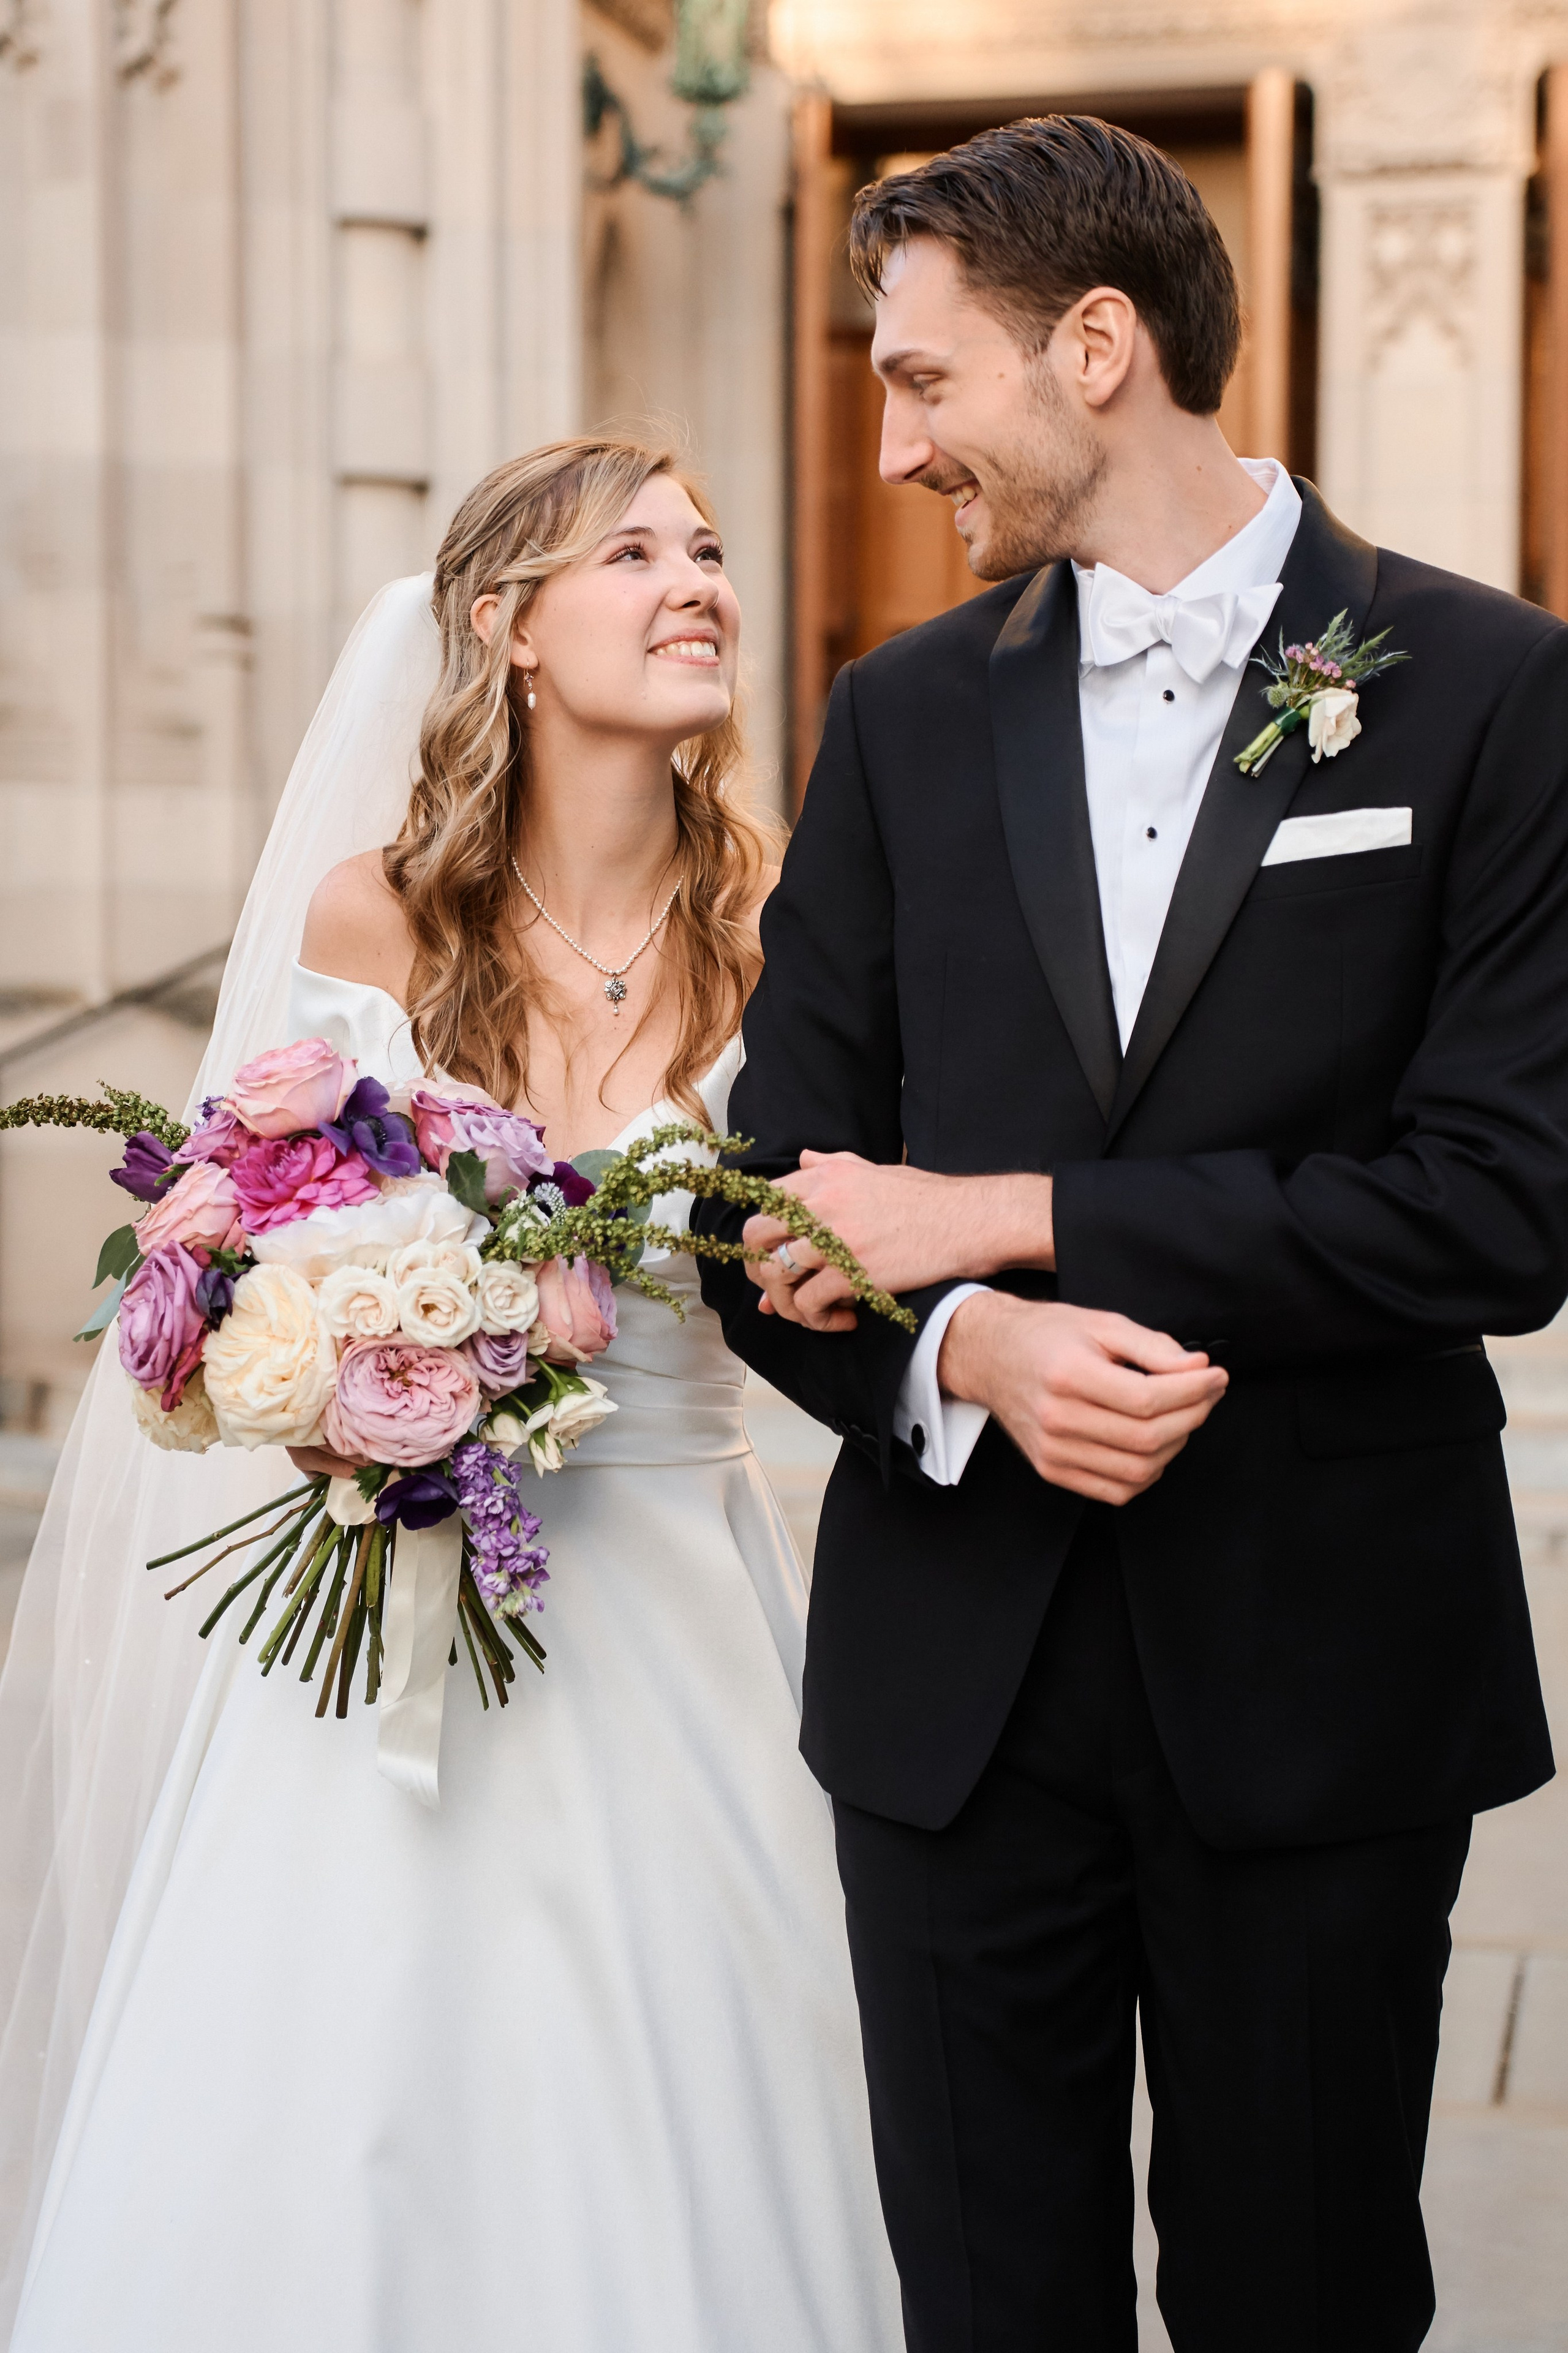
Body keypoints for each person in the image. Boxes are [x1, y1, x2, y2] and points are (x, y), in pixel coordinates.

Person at [696, 117, 1565, 2352]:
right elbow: (763, 1203)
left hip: (1325, 1668)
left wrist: (1015, 1217)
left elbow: (1501, 1206)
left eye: (923, 379)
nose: (892, 447)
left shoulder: (1489, 686)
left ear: (1096, 347)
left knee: (1305, 2303)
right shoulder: (898, 719)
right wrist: (966, 1350)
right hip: (953, 1689)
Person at [1, 437, 902, 2351]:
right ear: (508, 627)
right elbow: (250, 1243)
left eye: (710, 550)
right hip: (407, 1609)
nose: (697, 583)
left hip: (687, 1599)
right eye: (633, 553)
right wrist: (339, 1372)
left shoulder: (788, 928)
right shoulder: (373, 921)